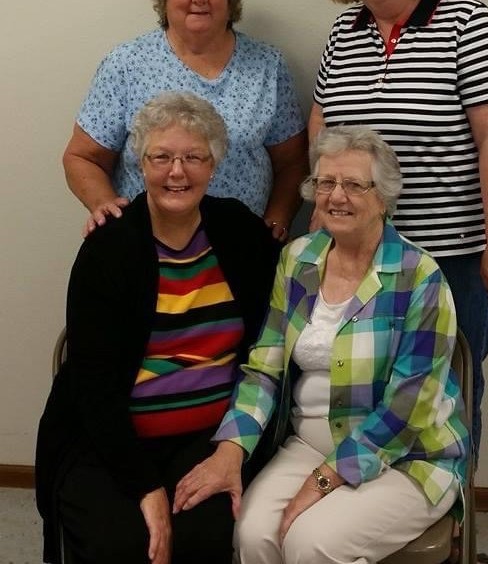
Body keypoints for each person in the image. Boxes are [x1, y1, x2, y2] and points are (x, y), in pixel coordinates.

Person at [173, 126, 469, 564]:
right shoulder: (298, 259)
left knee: (311, 544)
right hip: (309, 444)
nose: (336, 196)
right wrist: (232, 448)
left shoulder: (420, 276)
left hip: (408, 455)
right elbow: (264, 368)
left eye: (353, 184)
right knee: (252, 535)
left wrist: (326, 478)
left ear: (384, 197)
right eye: (326, 182)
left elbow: (409, 407)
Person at [308, 0, 488, 458]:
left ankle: (450, 504)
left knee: (447, 394)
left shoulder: (468, 23)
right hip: (357, 254)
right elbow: (322, 127)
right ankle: (366, 496)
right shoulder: (343, 32)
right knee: (363, 388)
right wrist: (321, 220)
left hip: (448, 256)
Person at [35, 92, 280, 564]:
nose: (177, 172)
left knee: (204, 538)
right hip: (111, 437)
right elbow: (92, 388)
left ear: (213, 165)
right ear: (140, 164)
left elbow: (282, 315)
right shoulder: (109, 248)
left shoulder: (239, 232)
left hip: (207, 436)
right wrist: (146, 489)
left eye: (193, 157)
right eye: (161, 157)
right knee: (123, 546)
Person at [63, 0, 308, 241]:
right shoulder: (126, 64)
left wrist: (278, 219)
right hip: (146, 245)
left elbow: (293, 161)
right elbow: (82, 157)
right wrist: (106, 208)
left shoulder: (267, 65)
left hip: (243, 246)